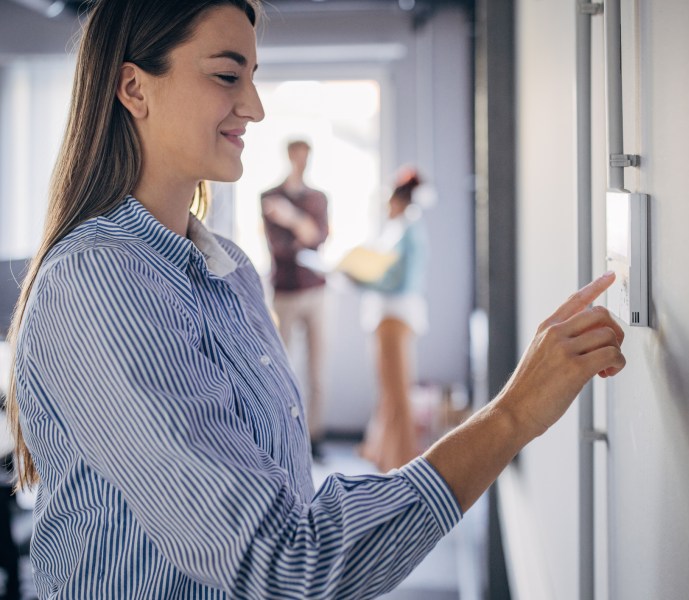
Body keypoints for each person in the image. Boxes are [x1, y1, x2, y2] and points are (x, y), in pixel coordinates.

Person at [3, 1, 626, 598]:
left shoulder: (229, 268)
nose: (254, 107)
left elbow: (287, 503)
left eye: (252, 78)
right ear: (134, 89)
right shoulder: (98, 282)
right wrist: (511, 416)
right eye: (227, 75)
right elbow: (286, 563)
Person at [260, 140, 329, 460]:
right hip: (285, 291)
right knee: (281, 365)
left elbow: (318, 237)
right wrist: (301, 230)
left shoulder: (318, 198)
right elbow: (280, 248)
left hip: (316, 290)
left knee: (318, 369)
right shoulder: (269, 196)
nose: (302, 161)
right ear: (289, 156)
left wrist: (290, 219)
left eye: (307, 156)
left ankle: (314, 437)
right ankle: (285, 435)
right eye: (297, 155)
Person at [356, 168, 429, 472]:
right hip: (389, 318)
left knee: (397, 396)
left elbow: (397, 281)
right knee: (389, 395)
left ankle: (402, 465)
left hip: (395, 318)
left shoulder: (407, 231)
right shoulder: (397, 229)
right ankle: (386, 459)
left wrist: (360, 276)